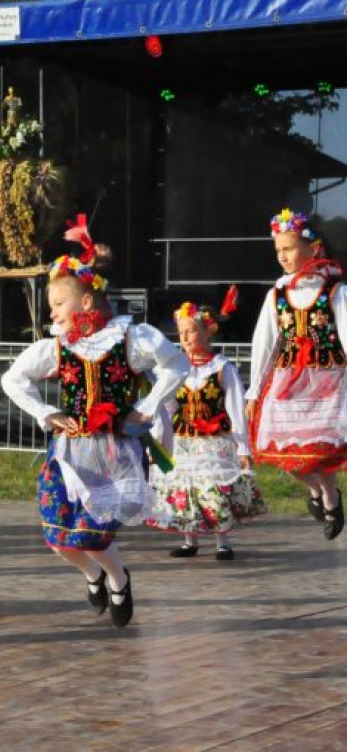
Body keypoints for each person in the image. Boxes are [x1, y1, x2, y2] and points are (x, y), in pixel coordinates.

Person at [1, 223, 188, 628]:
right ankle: (93, 575)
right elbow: (12, 379)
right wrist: (46, 413)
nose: (52, 312)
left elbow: (177, 364)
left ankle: (119, 580)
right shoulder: (57, 347)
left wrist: (148, 406)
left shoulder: (130, 339)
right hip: (69, 453)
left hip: (113, 452)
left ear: (86, 301)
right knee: (57, 538)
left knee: (93, 534)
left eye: (58, 303)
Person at [246, 209, 347, 540]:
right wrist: (254, 390)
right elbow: (264, 344)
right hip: (288, 383)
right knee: (281, 452)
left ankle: (330, 498)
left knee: (319, 451)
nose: (282, 256)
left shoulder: (333, 289)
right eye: (278, 250)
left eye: (288, 248)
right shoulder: (276, 294)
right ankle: (319, 491)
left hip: (327, 381)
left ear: (312, 248)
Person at [146, 294, 266, 560]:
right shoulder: (173, 370)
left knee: (212, 489)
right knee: (185, 488)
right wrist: (156, 442)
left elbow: (235, 408)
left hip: (214, 441)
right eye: (181, 333)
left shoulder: (222, 368)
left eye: (191, 331)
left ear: (208, 331)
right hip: (182, 441)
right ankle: (189, 540)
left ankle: (222, 542)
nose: (185, 337)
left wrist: (243, 447)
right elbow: (165, 409)